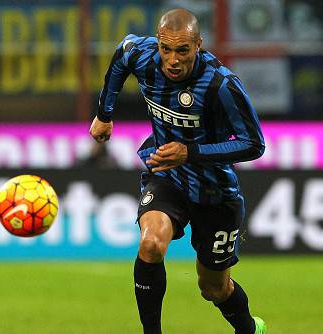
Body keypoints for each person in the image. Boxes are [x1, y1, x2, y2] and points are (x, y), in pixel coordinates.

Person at [89, 8, 266, 334]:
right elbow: (120, 56)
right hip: (166, 175)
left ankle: (249, 329)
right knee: (151, 244)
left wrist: (191, 152)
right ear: (158, 42)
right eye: (166, 49)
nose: (172, 59)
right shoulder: (143, 56)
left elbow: (254, 144)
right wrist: (104, 113)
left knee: (213, 288)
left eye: (182, 50)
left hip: (215, 192)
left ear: (198, 44)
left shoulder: (221, 85)